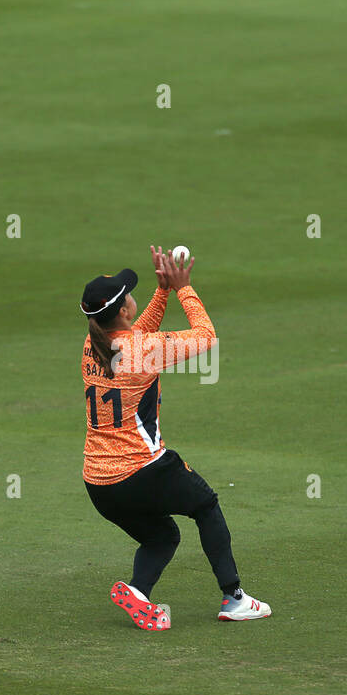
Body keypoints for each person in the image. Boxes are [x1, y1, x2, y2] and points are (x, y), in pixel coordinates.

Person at [79, 246, 271, 630]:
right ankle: (234, 599)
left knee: (162, 536)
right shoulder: (143, 350)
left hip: (98, 483)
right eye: (129, 295)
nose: (133, 297)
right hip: (141, 470)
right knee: (206, 506)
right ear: (121, 311)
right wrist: (184, 288)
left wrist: (161, 292)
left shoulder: (93, 344)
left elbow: (138, 334)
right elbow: (206, 336)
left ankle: (138, 592)